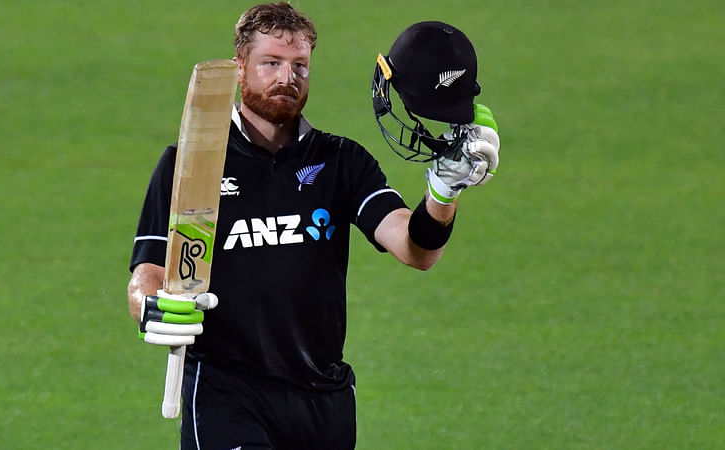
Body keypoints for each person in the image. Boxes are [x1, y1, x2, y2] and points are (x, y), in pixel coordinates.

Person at [127, 3, 500, 449]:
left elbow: (415, 249)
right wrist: (152, 307)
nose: (287, 78)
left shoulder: (341, 161)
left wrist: (443, 193)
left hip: (322, 399)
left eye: (299, 65)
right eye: (271, 63)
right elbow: (147, 271)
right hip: (226, 393)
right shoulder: (190, 163)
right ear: (239, 70)